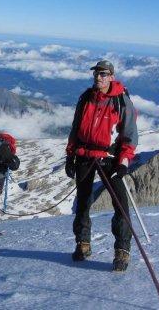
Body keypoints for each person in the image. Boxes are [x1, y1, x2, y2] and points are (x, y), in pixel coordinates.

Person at [65, 60, 138, 271]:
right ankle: (83, 243)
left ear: (112, 77)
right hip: (85, 156)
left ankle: (122, 252)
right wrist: (70, 155)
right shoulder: (86, 98)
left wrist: (123, 162)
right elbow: (76, 128)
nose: (99, 77)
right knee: (83, 203)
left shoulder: (121, 102)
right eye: (97, 74)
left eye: (104, 74)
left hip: (109, 158)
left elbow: (129, 135)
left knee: (120, 205)